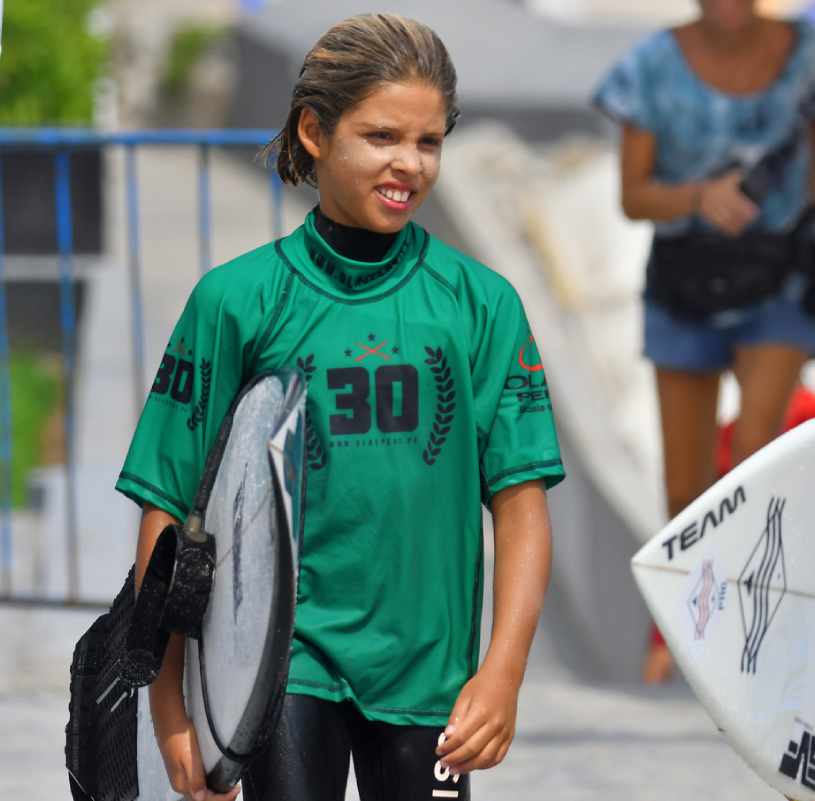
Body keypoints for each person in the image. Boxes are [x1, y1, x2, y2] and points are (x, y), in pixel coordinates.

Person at [116, 14, 564, 801]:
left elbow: (521, 503)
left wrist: (504, 671)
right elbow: (166, 502)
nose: (409, 164)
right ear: (315, 132)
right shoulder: (236, 301)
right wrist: (171, 705)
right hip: (278, 661)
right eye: (382, 136)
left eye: (429, 142)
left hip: (430, 671)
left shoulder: (481, 304)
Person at [593, 0, 815, 684]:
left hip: (780, 274)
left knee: (759, 452)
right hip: (686, 281)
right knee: (685, 486)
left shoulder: (807, 52)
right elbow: (633, 197)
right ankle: (687, 623)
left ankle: (749, 634)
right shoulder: (649, 66)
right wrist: (697, 197)